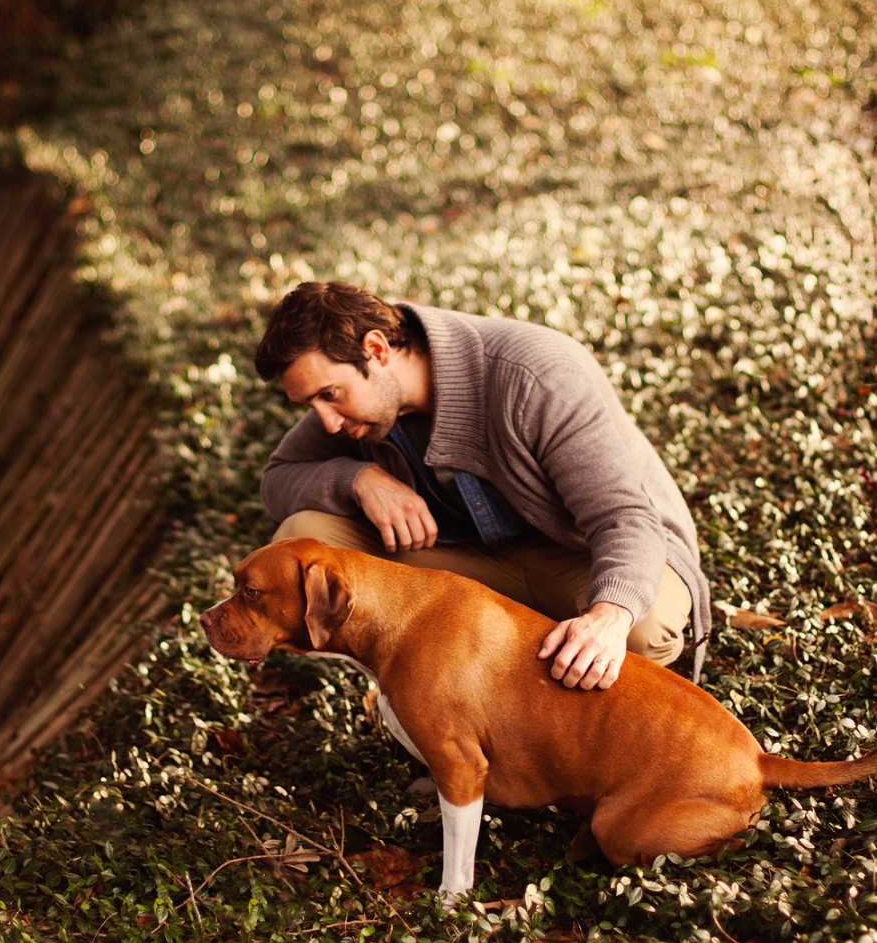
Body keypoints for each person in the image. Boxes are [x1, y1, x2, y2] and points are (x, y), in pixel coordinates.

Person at [255, 281, 711, 689]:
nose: (328, 423)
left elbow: (623, 518)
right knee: (305, 537)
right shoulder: (362, 405)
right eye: (310, 404)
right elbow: (277, 480)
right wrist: (358, 478)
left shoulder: (535, 375)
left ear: (376, 350)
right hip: (475, 558)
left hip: (583, 553)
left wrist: (607, 615)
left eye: (329, 395)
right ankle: (413, 686)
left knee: (640, 627)